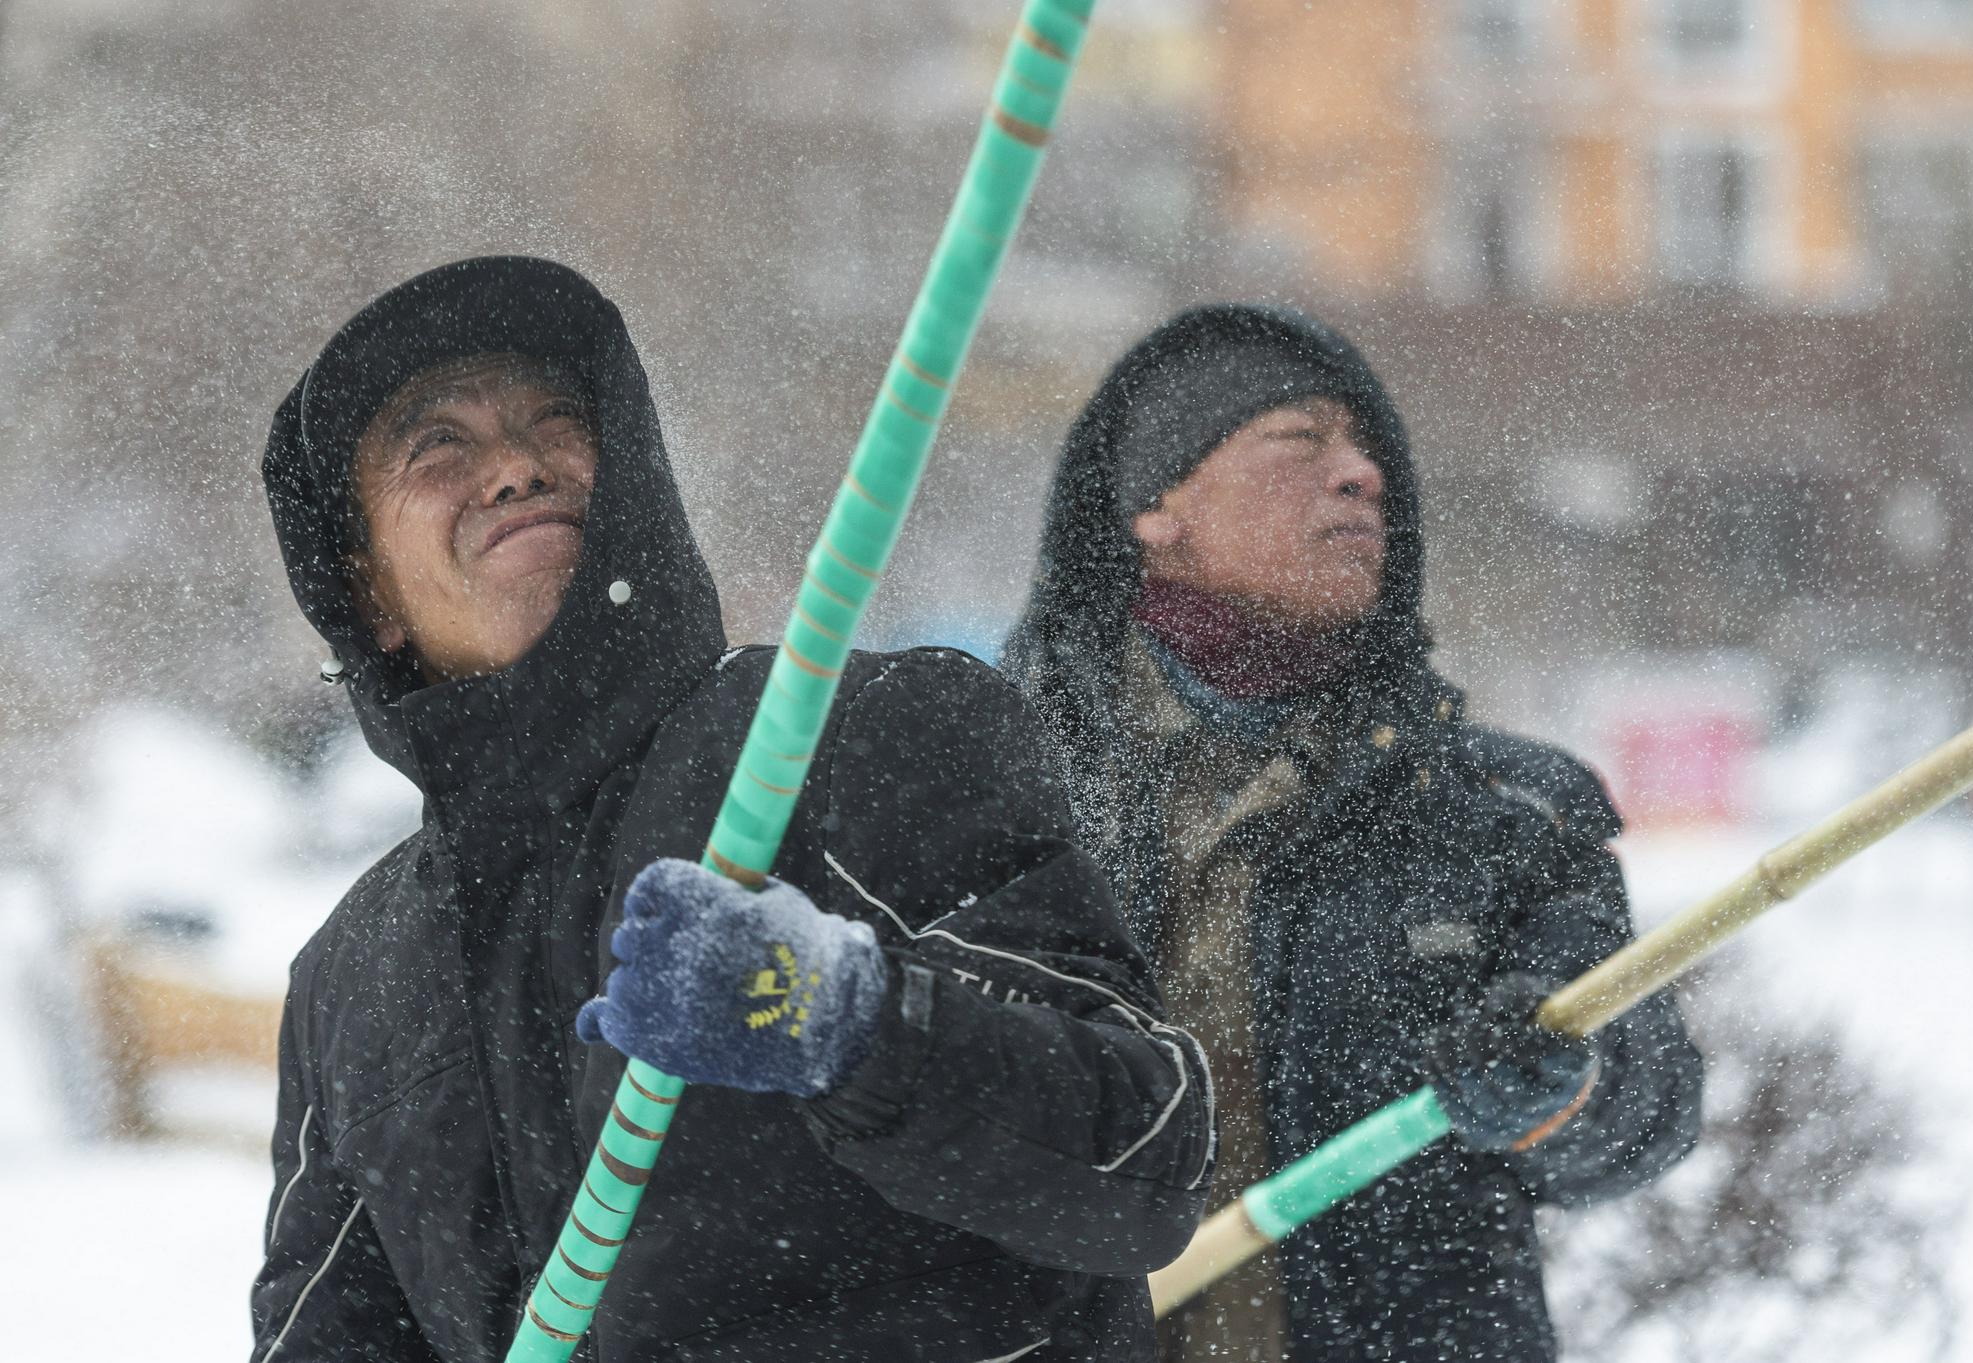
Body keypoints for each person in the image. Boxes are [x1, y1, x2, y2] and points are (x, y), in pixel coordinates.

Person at [250, 256, 1213, 1363]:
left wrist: (850, 1025)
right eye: (438, 449)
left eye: (555, 420)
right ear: (365, 595)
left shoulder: (857, 739)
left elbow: (1144, 1155)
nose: (514, 465)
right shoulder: (355, 975)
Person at [1002, 304, 1703, 1362]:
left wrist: (1565, 1085)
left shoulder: (1503, 814)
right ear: (1155, 509)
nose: (1359, 474)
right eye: (1300, 440)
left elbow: (1646, 1110)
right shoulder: (995, 801)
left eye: (1367, 449)